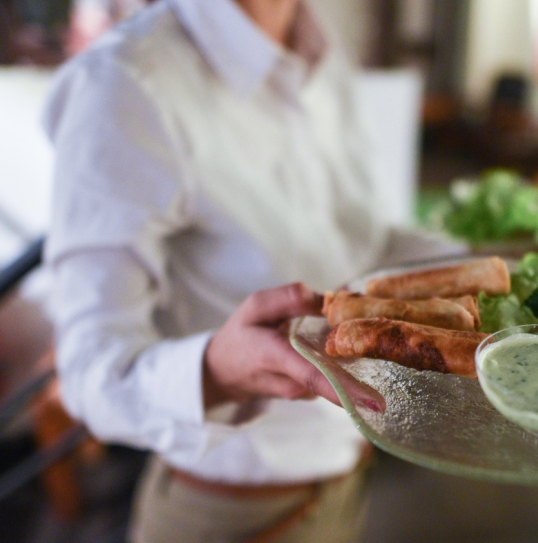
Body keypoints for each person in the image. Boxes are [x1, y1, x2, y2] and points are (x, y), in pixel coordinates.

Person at [42, 0, 460, 541]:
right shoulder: (126, 83)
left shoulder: (322, 50)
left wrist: (518, 259)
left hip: (346, 475)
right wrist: (217, 369)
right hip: (229, 511)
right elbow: (89, 374)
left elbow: (362, 243)